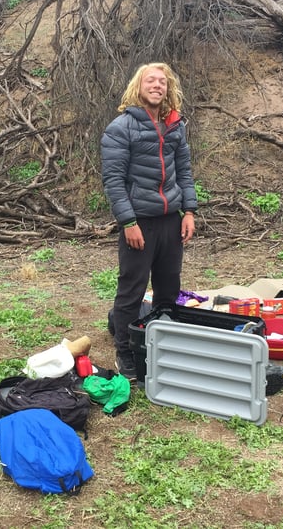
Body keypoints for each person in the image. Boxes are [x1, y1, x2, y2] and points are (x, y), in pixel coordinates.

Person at [101, 63, 197, 380]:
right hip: (139, 221)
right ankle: (126, 352)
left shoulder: (174, 125)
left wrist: (189, 212)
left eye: (163, 81)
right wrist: (128, 222)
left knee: (169, 287)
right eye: (150, 80)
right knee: (132, 289)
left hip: (171, 219)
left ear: (168, 89)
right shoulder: (121, 128)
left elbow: (184, 171)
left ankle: (163, 343)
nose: (157, 85)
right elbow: (113, 180)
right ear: (138, 87)